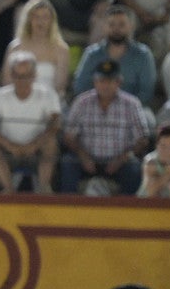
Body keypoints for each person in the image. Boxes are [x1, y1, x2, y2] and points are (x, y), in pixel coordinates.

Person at [61, 58, 149, 194]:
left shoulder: (131, 104)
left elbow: (142, 139)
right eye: (101, 81)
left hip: (120, 161)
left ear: (119, 82)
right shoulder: (82, 102)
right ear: (94, 82)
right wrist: (83, 155)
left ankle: (129, 212)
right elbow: (68, 136)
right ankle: (67, 210)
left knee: (134, 168)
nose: (105, 85)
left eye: (110, 81)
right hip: (86, 158)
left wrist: (122, 158)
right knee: (68, 164)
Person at [0, 50, 62, 191]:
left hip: (38, 148)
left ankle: (43, 188)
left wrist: (34, 145)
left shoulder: (48, 94)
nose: (22, 81)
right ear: (12, 75)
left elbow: (55, 124)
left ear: (34, 75)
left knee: (51, 143)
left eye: (26, 76)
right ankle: (8, 189)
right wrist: (9, 145)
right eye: (18, 76)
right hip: (8, 149)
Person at [73, 5, 157, 106]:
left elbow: (146, 91)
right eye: (111, 24)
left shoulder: (143, 54)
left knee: (148, 120)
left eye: (121, 25)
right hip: (95, 107)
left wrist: (124, 107)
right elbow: (80, 87)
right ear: (104, 27)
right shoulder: (92, 54)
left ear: (131, 26)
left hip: (132, 108)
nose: (116, 29)